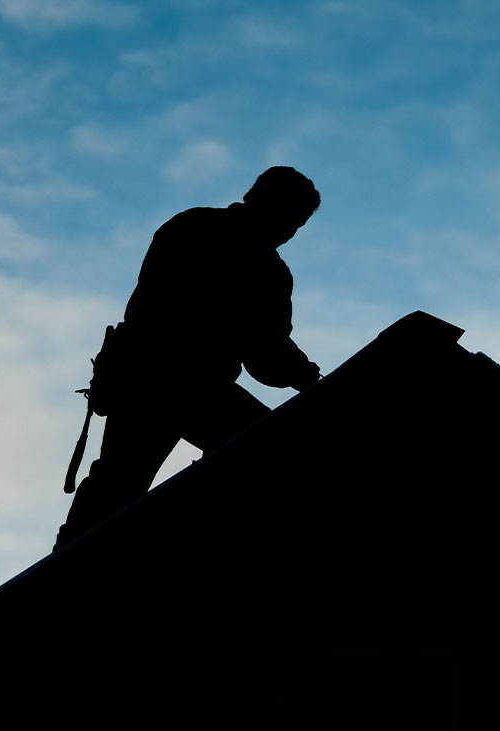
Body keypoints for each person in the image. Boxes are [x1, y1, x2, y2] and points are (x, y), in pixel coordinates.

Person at [55, 166, 321, 549]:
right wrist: (307, 378)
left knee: (117, 482)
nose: (290, 232)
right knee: (266, 449)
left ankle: (72, 554)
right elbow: (265, 353)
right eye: (291, 219)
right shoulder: (261, 266)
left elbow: (264, 352)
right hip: (179, 384)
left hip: (149, 378)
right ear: (267, 205)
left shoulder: (192, 226)